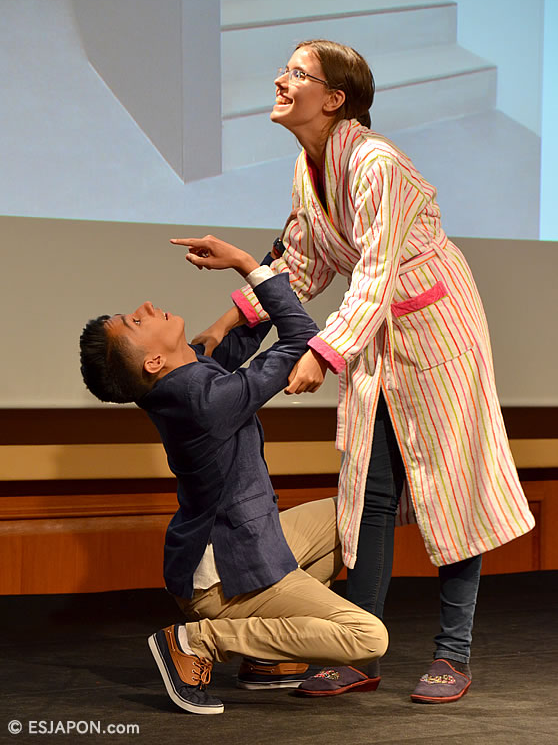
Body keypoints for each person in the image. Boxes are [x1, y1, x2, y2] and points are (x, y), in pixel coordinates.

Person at [189, 41, 536, 704]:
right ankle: (360, 651)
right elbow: (301, 265)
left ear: (334, 98)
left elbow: (375, 272)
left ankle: (453, 653)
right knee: (368, 492)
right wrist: (227, 324)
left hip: (437, 329)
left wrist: (324, 353)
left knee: (452, 488)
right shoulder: (308, 168)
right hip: (375, 333)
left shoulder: (377, 163)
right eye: (285, 69)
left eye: (296, 73)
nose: (281, 80)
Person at [79, 235, 387, 715]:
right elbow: (300, 338)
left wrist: (275, 257)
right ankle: (199, 642)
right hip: (228, 579)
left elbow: (244, 337)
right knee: (367, 637)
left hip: (243, 543)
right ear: (153, 361)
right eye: (136, 321)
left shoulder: (182, 378)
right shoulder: (204, 402)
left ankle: (267, 659)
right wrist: (244, 264)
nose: (146, 306)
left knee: (357, 513)